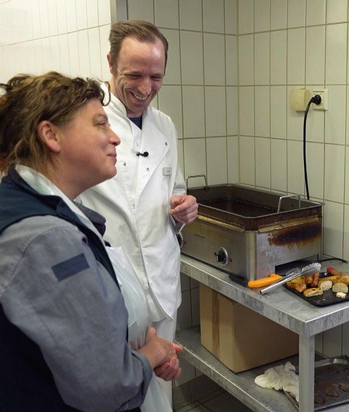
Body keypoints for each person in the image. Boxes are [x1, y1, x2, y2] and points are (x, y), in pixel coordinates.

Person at [0, 72, 182, 411]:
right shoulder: (43, 238)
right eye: (100, 124)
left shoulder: (34, 204)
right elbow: (109, 386)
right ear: (51, 135)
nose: (114, 137)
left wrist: (140, 348)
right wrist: (151, 354)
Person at [78, 20, 198, 405]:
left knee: (162, 389)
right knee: (120, 393)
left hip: (161, 281)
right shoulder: (87, 124)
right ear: (111, 62)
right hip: (111, 288)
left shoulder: (165, 126)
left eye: (156, 76)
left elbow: (174, 187)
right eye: (134, 75)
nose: (146, 88)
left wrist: (184, 205)